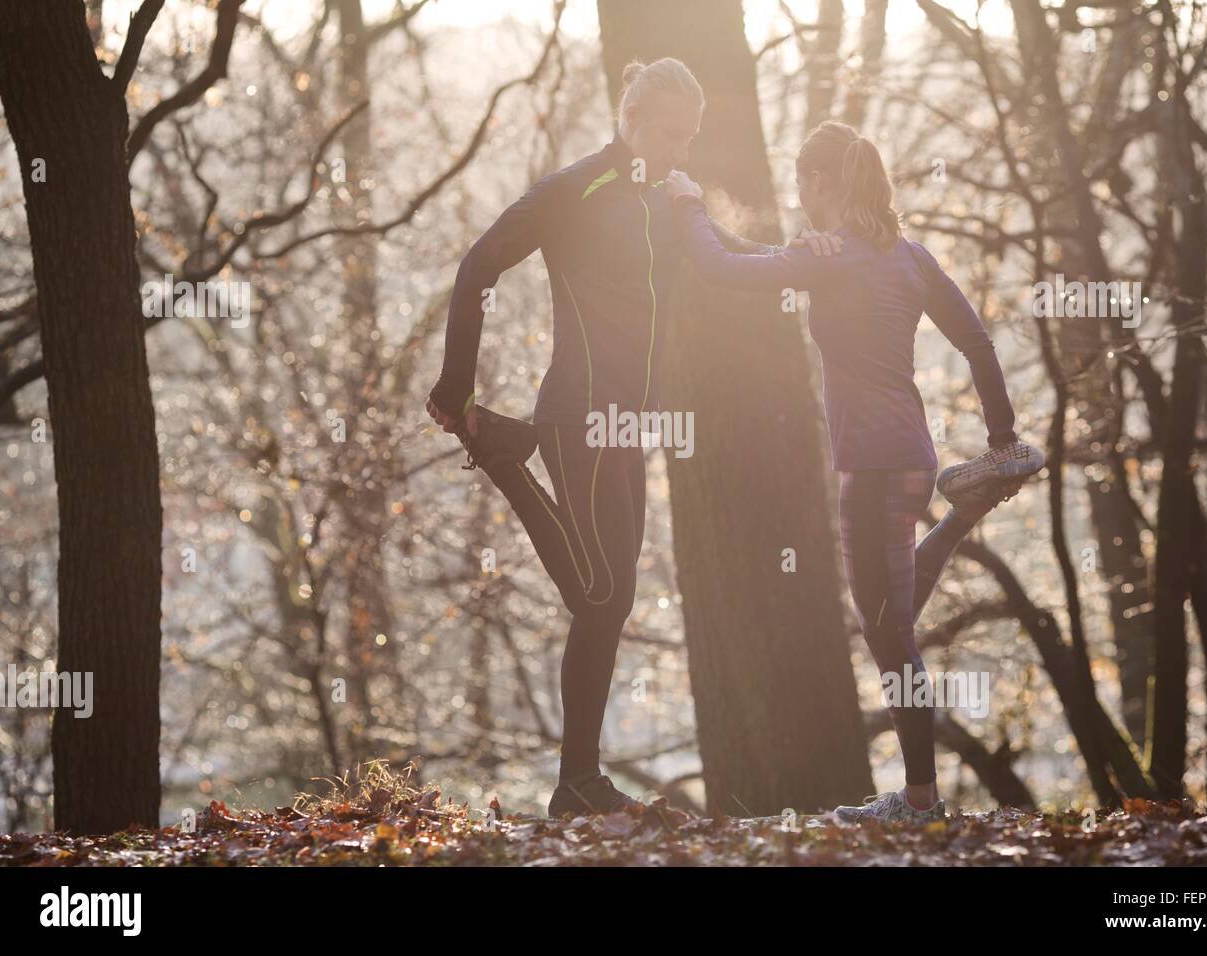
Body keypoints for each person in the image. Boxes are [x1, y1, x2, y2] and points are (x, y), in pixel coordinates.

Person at [426, 58, 837, 817]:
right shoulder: (577, 189)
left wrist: (801, 257)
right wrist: (457, 385)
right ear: (633, 116)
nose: (683, 149)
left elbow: (724, 258)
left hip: (631, 421)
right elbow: (479, 262)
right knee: (601, 592)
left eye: (692, 137)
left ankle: (578, 782)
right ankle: (507, 460)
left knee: (608, 603)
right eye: (673, 132)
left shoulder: (667, 203)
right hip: (579, 409)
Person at [664, 120, 1045, 824]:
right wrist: (1000, 440)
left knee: (889, 636)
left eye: (803, 183)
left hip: (870, 467)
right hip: (912, 459)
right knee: (889, 617)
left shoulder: (830, 258)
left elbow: (719, 269)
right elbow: (978, 342)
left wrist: (687, 202)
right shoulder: (904, 256)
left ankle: (921, 800)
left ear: (820, 183)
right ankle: (965, 510)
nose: (800, 197)